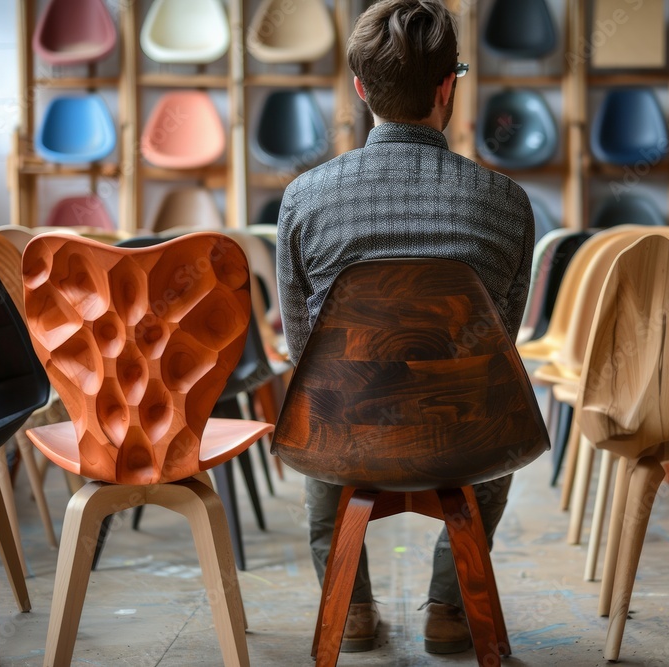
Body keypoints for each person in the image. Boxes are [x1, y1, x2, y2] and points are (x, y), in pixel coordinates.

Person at [276, 0, 535, 655]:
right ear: (448, 86)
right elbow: (499, 340)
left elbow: (303, 347)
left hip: (347, 434)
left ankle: (354, 611)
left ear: (362, 89)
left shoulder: (303, 200)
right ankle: (450, 608)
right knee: (494, 421)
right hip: (465, 437)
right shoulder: (507, 203)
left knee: (320, 413)